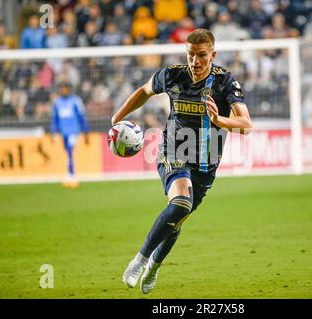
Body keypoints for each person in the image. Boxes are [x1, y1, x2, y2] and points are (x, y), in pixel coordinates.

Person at [112, 29, 252, 294]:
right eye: (190, 55)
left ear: (213, 55)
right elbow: (144, 91)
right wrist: (117, 117)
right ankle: (139, 260)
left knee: (178, 218)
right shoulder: (172, 75)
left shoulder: (225, 82)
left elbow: (246, 124)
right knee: (181, 203)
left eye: (201, 56)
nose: (195, 62)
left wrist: (220, 121)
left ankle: (154, 267)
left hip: (206, 165)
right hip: (172, 152)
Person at [50, 82, 90, 188]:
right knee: (68, 151)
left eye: (64, 88)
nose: (62, 90)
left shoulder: (75, 101)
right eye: (61, 88)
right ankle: (70, 173)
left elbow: (82, 117)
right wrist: (53, 132)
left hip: (74, 131)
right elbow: (55, 119)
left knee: (70, 150)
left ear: (68, 89)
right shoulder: (57, 103)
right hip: (63, 132)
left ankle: (71, 174)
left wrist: (86, 131)